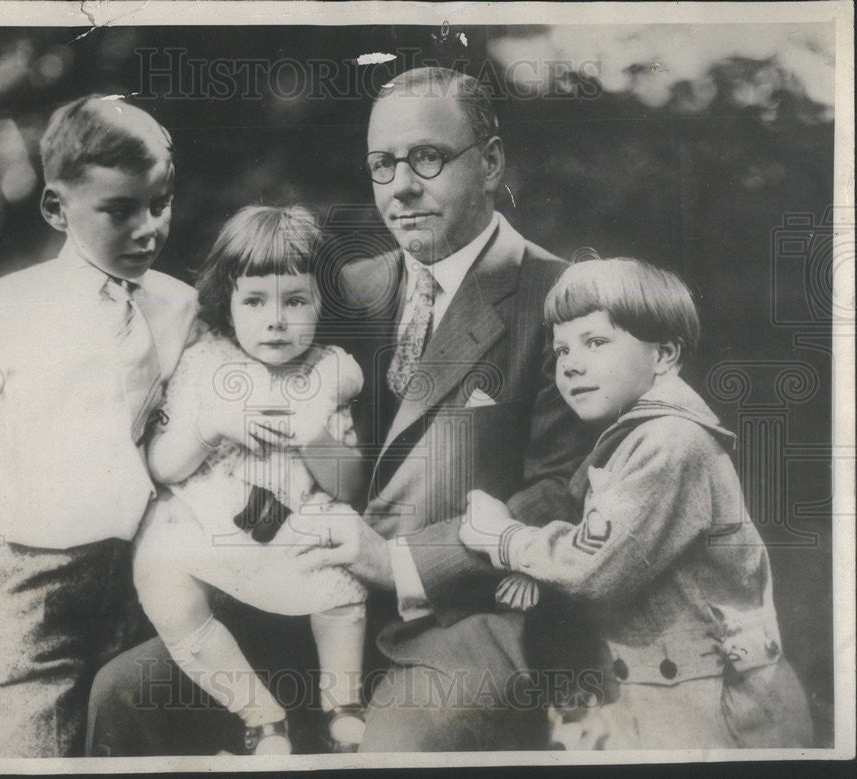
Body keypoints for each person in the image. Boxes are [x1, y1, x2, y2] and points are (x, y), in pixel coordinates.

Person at [286, 66, 596, 751]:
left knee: (400, 751)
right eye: (381, 165)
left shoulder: (563, 298)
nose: (400, 186)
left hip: (474, 623)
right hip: (324, 605)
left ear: (489, 163)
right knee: (131, 693)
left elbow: (561, 491)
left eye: (427, 157)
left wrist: (399, 561)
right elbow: (355, 460)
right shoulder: (349, 290)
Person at [0, 95, 198, 757]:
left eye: (160, 203)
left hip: (138, 569)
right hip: (29, 576)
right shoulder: (10, 306)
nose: (148, 229)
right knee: (17, 743)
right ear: (56, 207)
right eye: (120, 210)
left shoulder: (177, 305)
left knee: (126, 730)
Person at [459, 258, 814, 749]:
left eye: (596, 342)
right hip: (665, 693)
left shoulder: (669, 442)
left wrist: (505, 539)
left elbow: (591, 565)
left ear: (664, 354)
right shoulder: (634, 436)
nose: (570, 364)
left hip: (715, 710)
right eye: (561, 349)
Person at [130, 205, 369, 754]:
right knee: (160, 573)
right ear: (228, 303)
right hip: (211, 527)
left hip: (291, 529)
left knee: (341, 560)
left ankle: (343, 701)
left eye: (295, 301)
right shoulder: (204, 364)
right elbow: (162, 466)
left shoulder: (326, 372)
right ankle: (260, 715)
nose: (276, 320)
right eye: (255, 301)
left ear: (321, 303)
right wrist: (212, 428)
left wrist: (315, 436)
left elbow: (349, 487)